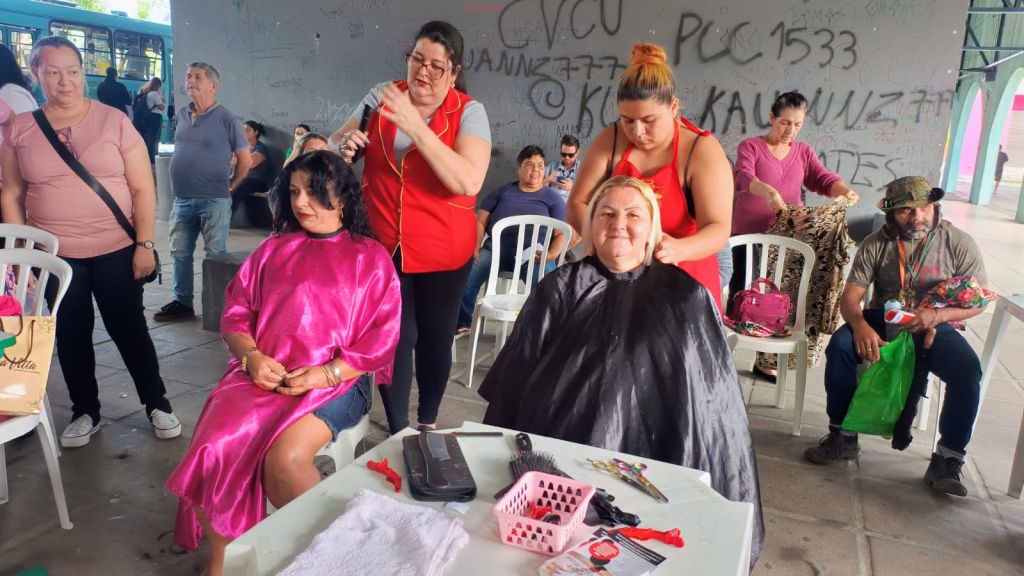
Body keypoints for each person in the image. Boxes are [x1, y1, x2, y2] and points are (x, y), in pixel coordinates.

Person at [479, 176, 764, 566]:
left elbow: (713, 408)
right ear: (591, 224)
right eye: (607, 213)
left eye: (633, 214)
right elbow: (514, 380)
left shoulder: (687, 297)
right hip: (562, 457)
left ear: (652, 229)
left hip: (658, 458)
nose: (618, 224)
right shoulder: (559, 286)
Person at [166, 151, 401, 576]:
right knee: (211, 448)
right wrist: (252, 357)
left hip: (338, 381)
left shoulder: (371, 258)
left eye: (314, 192)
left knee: (286, 461)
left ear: (344, 197)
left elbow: (381, 340)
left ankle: (332, 555)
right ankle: (223, 558)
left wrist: (326, 372)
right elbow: (235, 315)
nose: (301, 202)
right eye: (294, 192)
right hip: (260, 375)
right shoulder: (274, 249)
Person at [0, 36, 180, 447]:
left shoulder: (113, 120)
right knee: (70, 333)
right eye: (52, 72)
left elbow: (142, 188)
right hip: (55, 257)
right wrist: (20, 261)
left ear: (84, 72)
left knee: (129, 328)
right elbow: (10, 193)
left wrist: (145, 244)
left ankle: (157, 403)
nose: (65, 82)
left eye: (73, 71)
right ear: (36, 75)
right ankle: (86, 411)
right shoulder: (21, 129)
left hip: (116, 247)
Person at [331, 21, 491, 433]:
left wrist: (416, 126)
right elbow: (336, 145)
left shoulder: (469, 112)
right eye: (417, 59)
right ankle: (399, 426)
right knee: (396, 336)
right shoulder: (381, 96)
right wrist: (342, 149)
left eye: (437, 66)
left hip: (444, 249)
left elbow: (468, 180)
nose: (423, 71)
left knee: (436, 336)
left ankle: (429, 420)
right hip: (383, 243)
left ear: (454, 72)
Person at [804, 177, 988, 497]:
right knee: (841, 346)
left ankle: (949, 457)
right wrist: (860, 326)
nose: (918, 217)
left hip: (936, 323)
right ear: (890, 214)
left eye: (925, 208)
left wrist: (938, 316)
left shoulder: (958, 242)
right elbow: (851, 297)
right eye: (906, 210)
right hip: (885, 319)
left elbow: (977, 302)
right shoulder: (878, 242)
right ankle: (842, 436)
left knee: (968, 369)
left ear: (935, 208)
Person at [567, 43, 732, 310]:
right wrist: (602, 242)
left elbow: (718, 229)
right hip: (618, 276)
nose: (637, 131)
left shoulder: (701, 151)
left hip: (685, 280)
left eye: (649, 120)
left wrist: (678, 249)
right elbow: (577, 203)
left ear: (674, 107)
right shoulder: (611, 139)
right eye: (627, 120)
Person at [731, 91, 860, 381]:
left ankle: (766, 360)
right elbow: (742, 176)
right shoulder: (750, 146)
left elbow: (822, 179)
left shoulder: (803, 151)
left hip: (789, 237)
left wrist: (843, 190)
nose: (790, 131)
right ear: (771, 118)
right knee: (744, 293)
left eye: (797, 125)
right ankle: (726, 350)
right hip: (749, 235)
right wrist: (766, 191)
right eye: (784, 123)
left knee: (781, 297)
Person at [155, 62, 251, 322]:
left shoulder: (227, 118)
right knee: (180, 253)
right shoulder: (183, 115)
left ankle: (217, 308)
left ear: (213, 85)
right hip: (183, 199)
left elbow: (245, 160)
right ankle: (182, 302)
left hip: (214, 199)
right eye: (188, 76)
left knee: (215, 256)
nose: (190, 81)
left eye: (197, 77)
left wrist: (231, 184)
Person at [457, 144, 566, 332]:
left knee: (547, 287)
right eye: (530, 164)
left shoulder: (552, 198)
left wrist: (552, 254)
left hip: (533, 256)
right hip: (495, 251)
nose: (536, 170)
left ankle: (543, 331)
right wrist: (475, 247)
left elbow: (561, 233)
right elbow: (481, 221)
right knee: (467, 277)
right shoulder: (501, 192)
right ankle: (464, 323)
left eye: (540, 165)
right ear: (518, 168)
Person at [230, 120, 273, 228]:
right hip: (241, 180)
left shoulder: (261, 148)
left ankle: (221, 222)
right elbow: (230, 161)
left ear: (256, 132)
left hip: (256, 181)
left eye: (247, 130)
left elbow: (251, 163)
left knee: (234, 192)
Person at [133, 76, 165, 164]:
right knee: (154, 138)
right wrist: (162, 99)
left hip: (147, 117)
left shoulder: (143, 92)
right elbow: (161, 107)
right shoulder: (154, 94)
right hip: (155, 117)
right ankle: (152, 158)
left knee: (147, 137)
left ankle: (145, 157)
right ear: (158, 85)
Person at [543, 134, 581, 204]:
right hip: (551, 204)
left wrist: (573, 187)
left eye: (571, 155)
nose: (567, 158)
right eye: (563, 154)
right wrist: (547, 180)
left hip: (572, 206)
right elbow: (536, 187)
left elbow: (591, 193)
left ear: (578, 152)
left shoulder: (583, 168)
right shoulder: (552, 166)